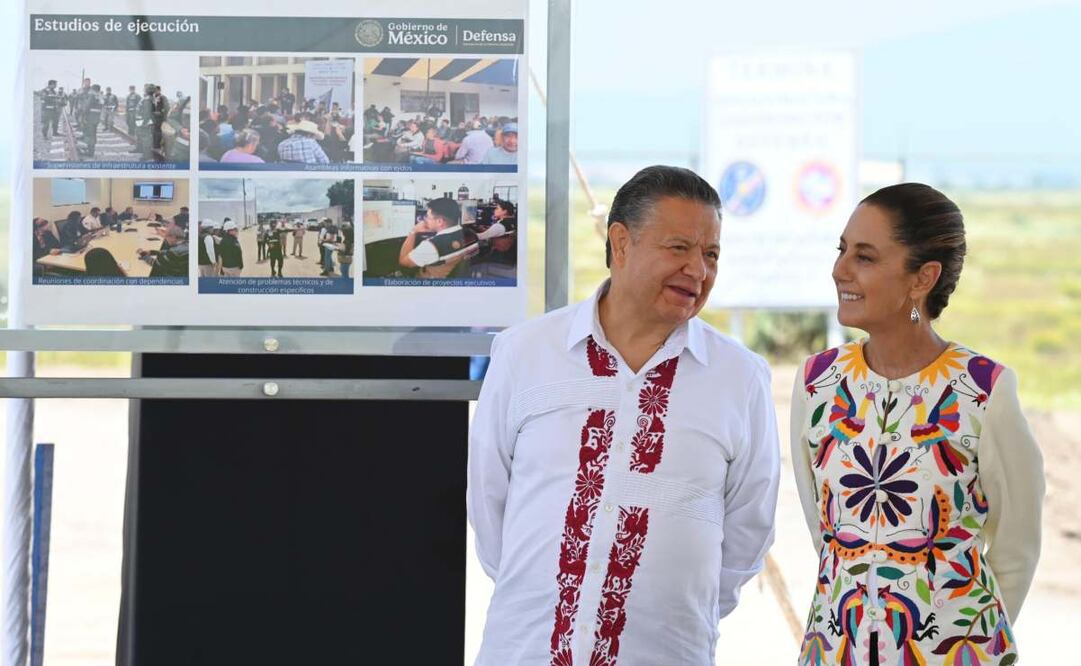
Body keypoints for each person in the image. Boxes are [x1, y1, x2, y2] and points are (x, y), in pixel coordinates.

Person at [469, 166, 779, 665]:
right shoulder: (524, 352)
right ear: (621, 243)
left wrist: (672, 611)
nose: (698, 271)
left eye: (711, 254)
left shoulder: (739, 377)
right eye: (679, 248)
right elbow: (490, 506)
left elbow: (748, 530)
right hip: (523, 651)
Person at [790, 183, 1044, 666]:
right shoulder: (817, 382)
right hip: (834, 648)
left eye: (864, 257)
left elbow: (1016, 548)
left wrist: (960, 642)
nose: (839, 269)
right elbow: (826, 537)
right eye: (842, 250)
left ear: (922, 278)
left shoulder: (983, 390)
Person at [398, 198, 478, 280]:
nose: (425, 220)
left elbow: (404, 262)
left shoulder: (432, 246)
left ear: (440, 222)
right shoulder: (472, 234)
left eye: (427, 217)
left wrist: (413, 231)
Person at [79, 84, 104, 157]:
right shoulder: (100, 97)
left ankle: (90, 152)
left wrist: (83, 115)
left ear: (93, 90)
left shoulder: (92, 96)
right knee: (93, 134)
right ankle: (90, 150)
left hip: (90, 117)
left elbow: (87, 106)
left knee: (89, 135)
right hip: (96, 118)